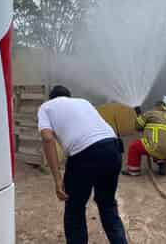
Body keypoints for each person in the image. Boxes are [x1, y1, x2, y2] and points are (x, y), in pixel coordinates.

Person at [37, 85, 128, 244]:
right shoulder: (84, 102)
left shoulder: (46, 107)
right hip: (112, 148)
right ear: (69, 96)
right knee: (107, 205)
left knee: (75, 210)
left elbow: (47, 138)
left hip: (84, 155)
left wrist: (58, 180)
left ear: (51, 98)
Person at [122, 101, 166, 176]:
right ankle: (162, 164)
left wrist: (138, 114)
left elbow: (138, 126)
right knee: (159, 146)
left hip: (157, 146)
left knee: (134, 147)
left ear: (156, 107)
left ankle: (133, 171)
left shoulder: (151, 113)